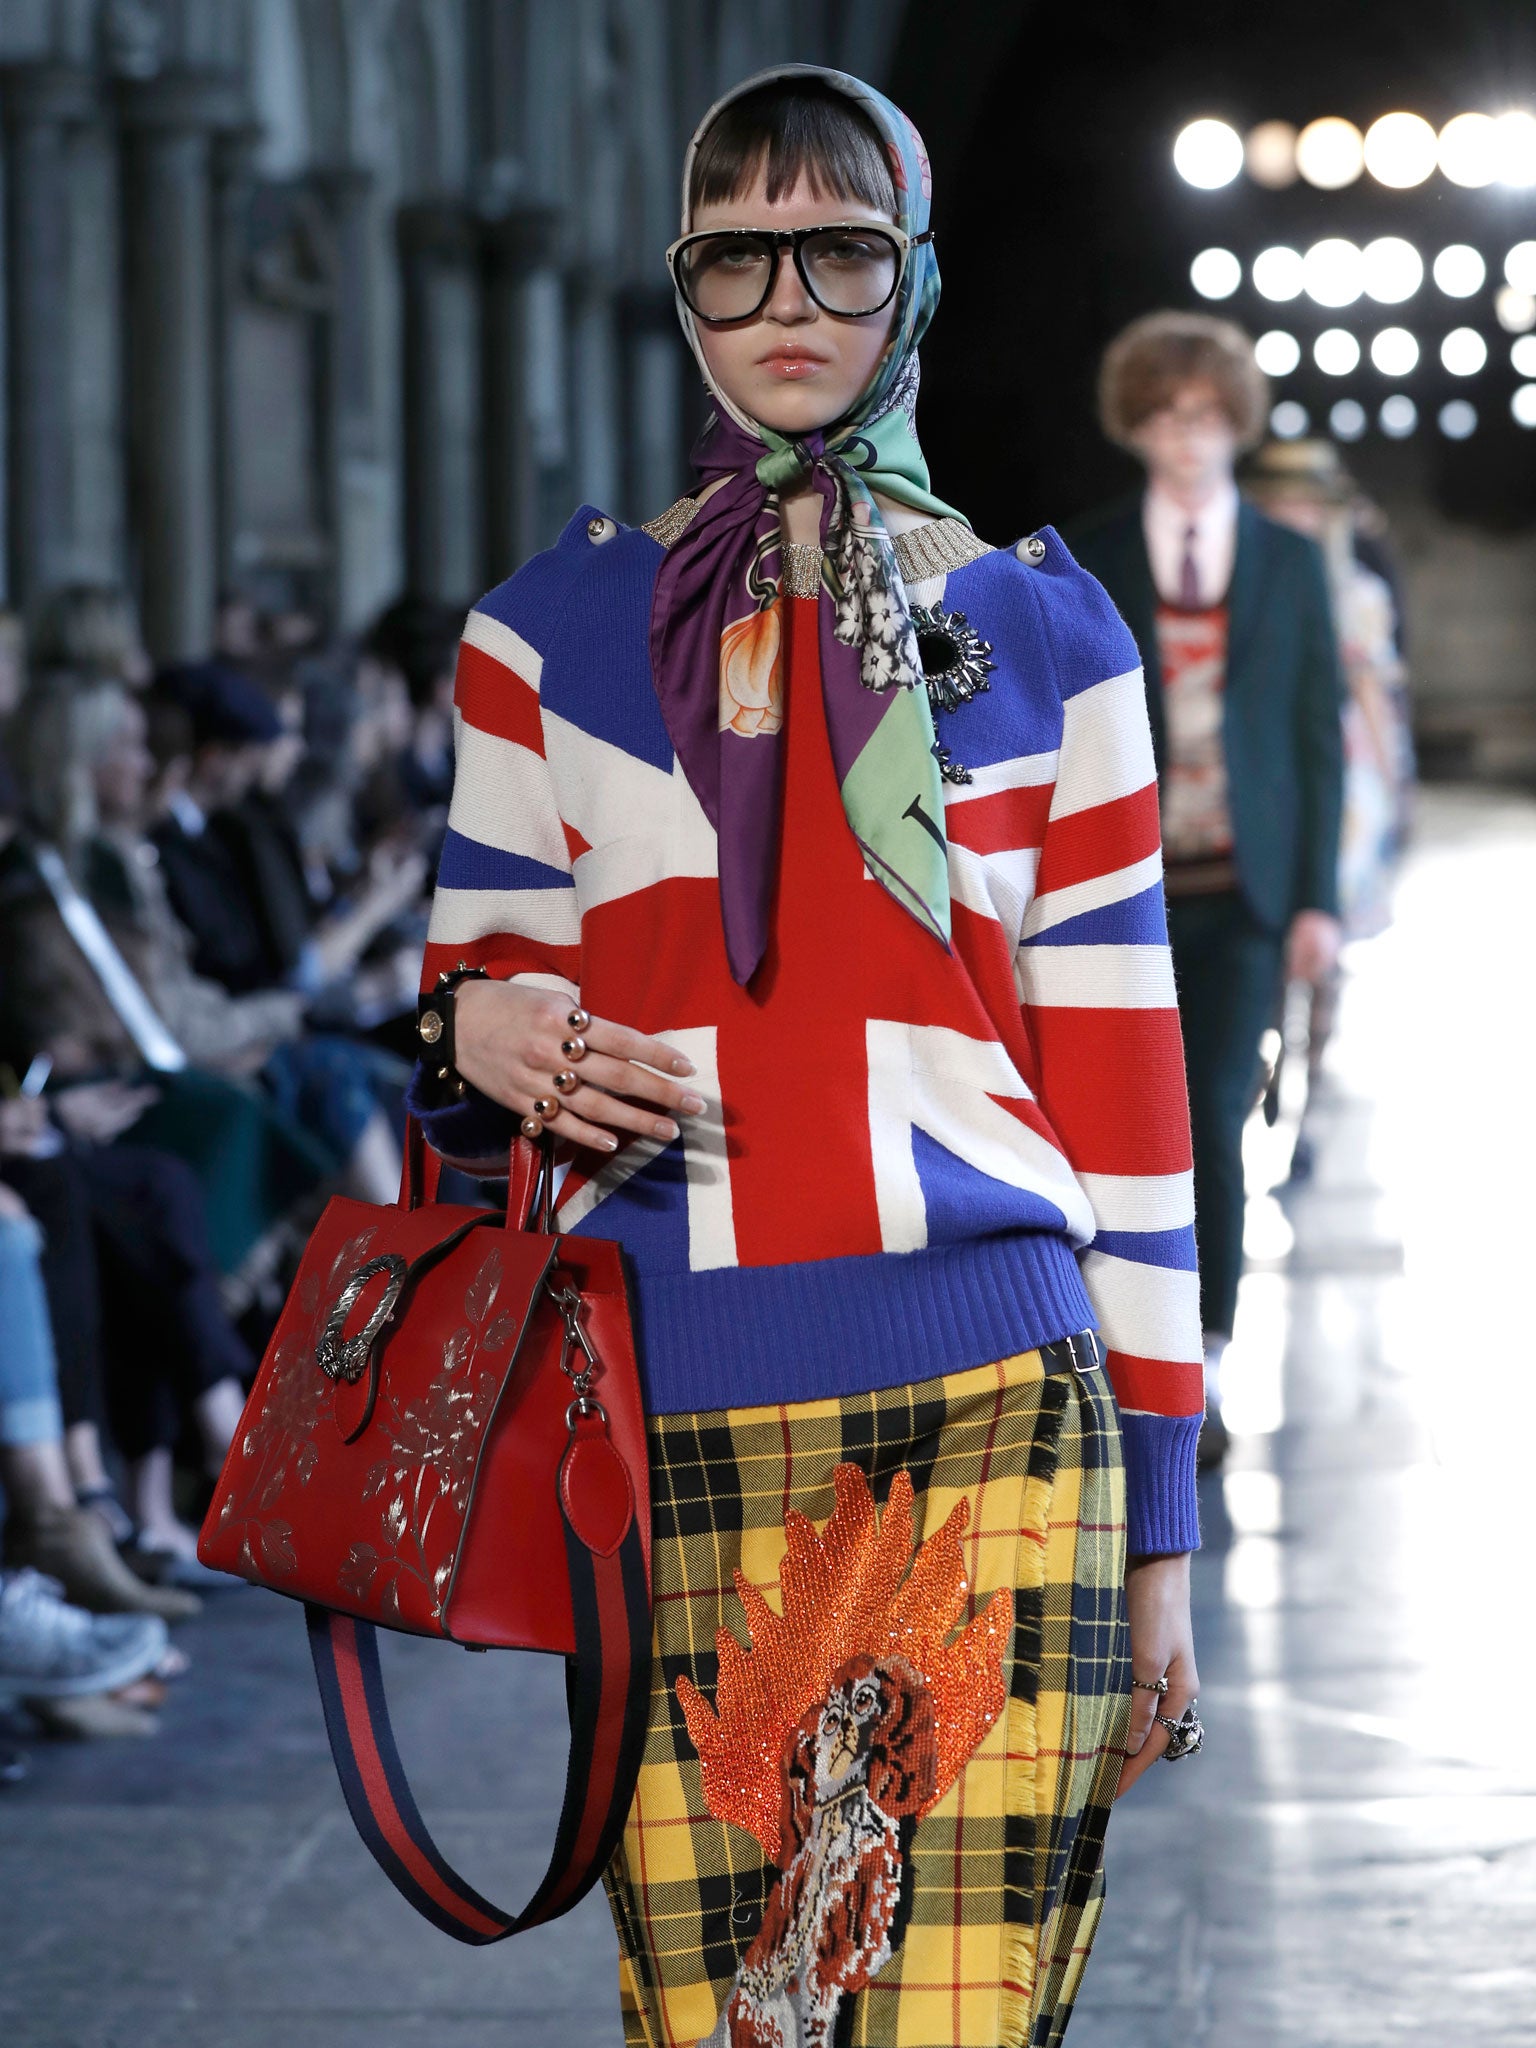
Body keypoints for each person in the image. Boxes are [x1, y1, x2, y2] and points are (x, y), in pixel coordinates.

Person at [407, 67, 1203, 2047]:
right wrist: (470, 1024)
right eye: (736, 251)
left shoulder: (1048, 635)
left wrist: (1170, 1520)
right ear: (682, 289)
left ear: (912, 278)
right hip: (673, 1407)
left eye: (839, 245)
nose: (788, 294)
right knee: (730, 2018)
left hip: (1004, 1393)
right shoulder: (542, 640)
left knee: (956, 2017)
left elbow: (1123, 1085)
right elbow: (470, 1008)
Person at [1070, 312, 1344, 1469]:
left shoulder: (1287, 560)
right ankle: (1128, 1360)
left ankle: (1211, 1357)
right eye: (1165, 415)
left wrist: (1320, 900)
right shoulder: (1094, 554)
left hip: (1247, 888)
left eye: (1205, 414)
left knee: (1216, 1121)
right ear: (1135, 424)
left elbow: (1314, 734)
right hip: (1120, 892)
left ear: (1236, 420)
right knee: (1121, 1131)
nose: (1187, 437)